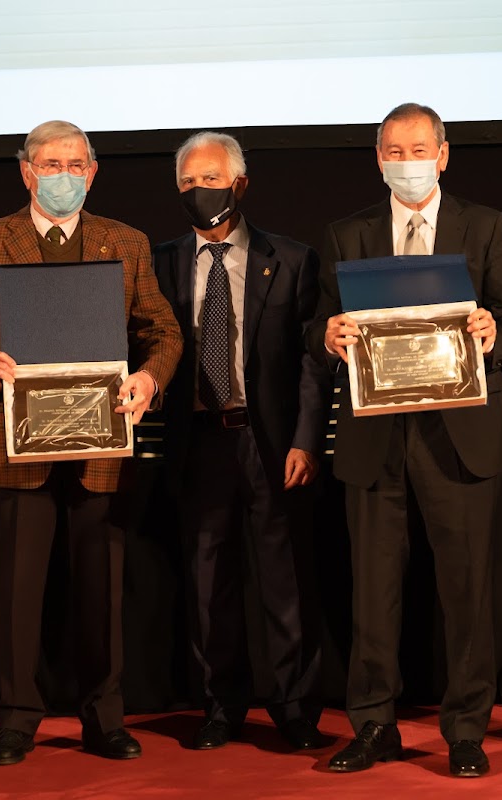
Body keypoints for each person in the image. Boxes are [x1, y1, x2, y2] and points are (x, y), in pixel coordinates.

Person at [0, 120, 182, 766]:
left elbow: (164, 332)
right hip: (13, 449)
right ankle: (16, 720)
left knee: (102, 592)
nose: (62, 175)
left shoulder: (126, 242)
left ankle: (104, 719)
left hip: (101, 445)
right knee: (18, 594)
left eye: (74, 165)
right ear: (26, 172)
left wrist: (150, 379)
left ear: (92, 174)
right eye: (50, 164)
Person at [307, 103, 502, 777]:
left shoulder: (486, 226)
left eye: (420, 149)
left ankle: (466, 731)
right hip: (375, 439)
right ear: (379, 159)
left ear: (444, 153)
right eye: (395, 152)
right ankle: (374, 725)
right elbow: (317, 329)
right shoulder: (347, 234)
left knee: (467, 592)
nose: (408, 162)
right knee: (373, 596)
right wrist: (327, 336)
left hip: (461, 436)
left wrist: (493, 335)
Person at [152, 132, 329, 751]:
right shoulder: (158, 263)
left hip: (270, 441)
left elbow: (312, 362)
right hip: (198, 441)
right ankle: (220, 708)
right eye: (189, 182)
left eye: (212, 179)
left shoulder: (294, 259)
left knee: (285, 581)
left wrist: (306, 440)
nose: (200, 190)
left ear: (240, 185)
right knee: (208, 584)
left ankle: (295, 709)